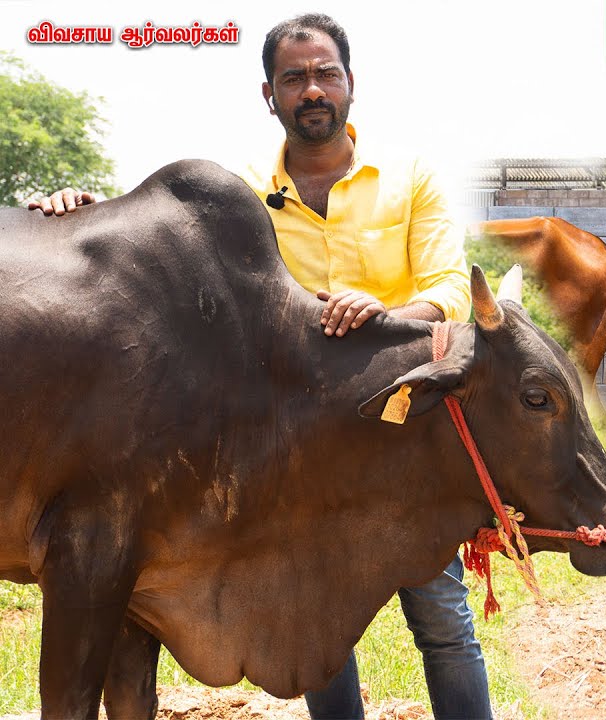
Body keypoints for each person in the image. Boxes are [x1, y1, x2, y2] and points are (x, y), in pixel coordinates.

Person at [29, 12, 493, 718]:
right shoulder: (237, 194)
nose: (313, 90)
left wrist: (388, 313)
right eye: (294, 78)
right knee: (311, 614)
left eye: (325, 74)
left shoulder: (410, 179)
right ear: (269, 95)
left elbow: (450, 289)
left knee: (441, 618)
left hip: (403, 426)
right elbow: (155, 247)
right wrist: (85, 213)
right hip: (299, 445)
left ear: (351, 85)